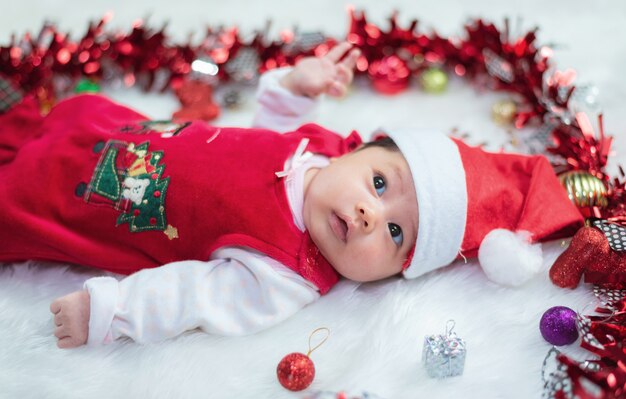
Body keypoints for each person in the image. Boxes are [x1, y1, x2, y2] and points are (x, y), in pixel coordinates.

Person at [0, 43, 583, 349]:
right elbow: (269, 125)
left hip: (97, 204)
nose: (369, 212)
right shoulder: (319, 147)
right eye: (380, 185)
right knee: (65, 124)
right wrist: (295, 89)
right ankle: (17, 118)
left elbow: (196, 297)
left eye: (395, 233)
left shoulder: (288, 271)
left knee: (33, 188)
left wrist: (111, 312)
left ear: (387, 276)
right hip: (132, 136)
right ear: (358, 151)